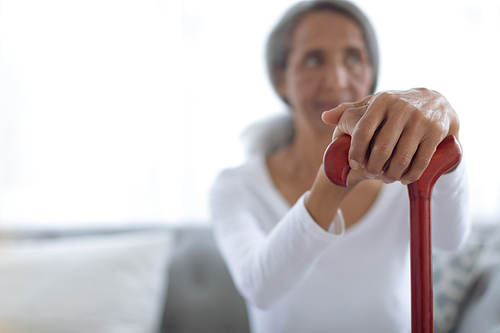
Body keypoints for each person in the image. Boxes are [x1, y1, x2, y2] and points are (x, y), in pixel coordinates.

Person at [209, 1, 470, 332]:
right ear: (281, 79)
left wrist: (447, 136)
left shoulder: (403, 173)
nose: (336, 80)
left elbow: (451, 239)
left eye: (353, 58)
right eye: (313, 60)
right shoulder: (236, 187)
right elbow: (260, 288)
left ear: (372, 73)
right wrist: (332, 181)